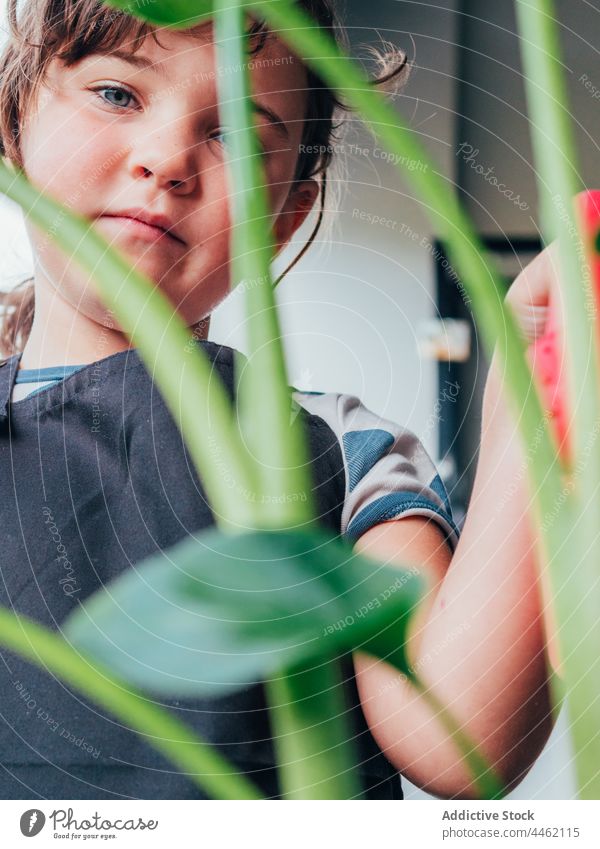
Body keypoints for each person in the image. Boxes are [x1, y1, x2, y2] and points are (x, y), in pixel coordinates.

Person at [0, 0, 555, 800]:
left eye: (236, 134)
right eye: (118, 94)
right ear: (15, 130)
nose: (167, 158)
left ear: (287, 216)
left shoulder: (341, 444)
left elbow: (464, 744)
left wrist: (533, 386)